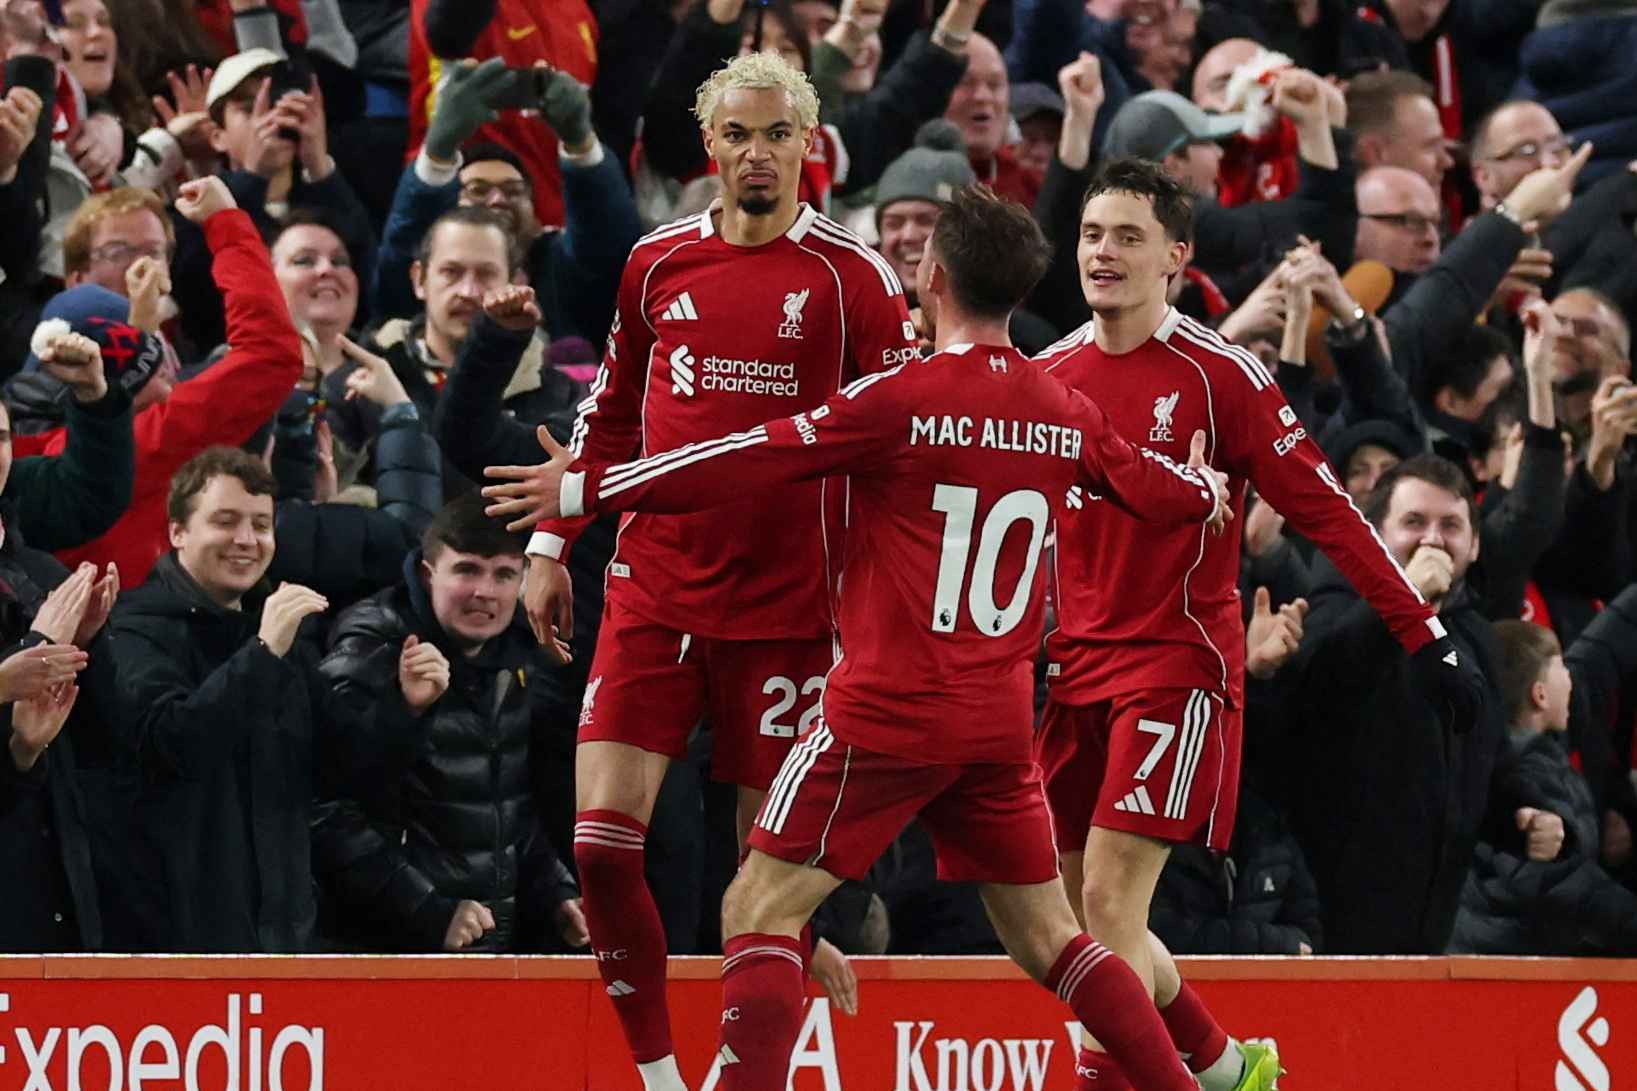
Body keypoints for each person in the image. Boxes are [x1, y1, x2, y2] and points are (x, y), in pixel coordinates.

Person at [484, 184, 1229, 1091]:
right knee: (1052, 939)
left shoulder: (898, 397)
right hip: (995, 723)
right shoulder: (1060, 404)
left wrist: (583, 491)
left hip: (882, 713)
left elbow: (741, 455)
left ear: (931, 275)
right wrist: (1202, 491)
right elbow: (1153, 489)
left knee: (756, 907)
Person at [484, 50, 919, 1091]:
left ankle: (755, 1051)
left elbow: (892, 445)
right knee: (597, 845)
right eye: (738, 135)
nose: (757, 154)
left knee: (762, 883)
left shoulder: (853, 277)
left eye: (778, 135)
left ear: (808, 146)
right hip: (656, 586)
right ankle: (659, 1077)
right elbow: (613, 407)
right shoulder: (657, 260)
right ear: (709, 146)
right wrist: (550, 546)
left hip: (789, 607)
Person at [1031, 157, 1482, 1090]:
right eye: (1089, 234)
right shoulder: (1047, 377)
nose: (1101, 253)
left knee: (1112, 908)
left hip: (1176, 666)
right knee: (1076, 925)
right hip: (1071, 672)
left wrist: (1423, 635)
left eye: (1126, 236)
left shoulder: (1219, 376)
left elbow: (1326, 511)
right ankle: (1232, 1067)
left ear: (1176, 255)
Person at [109, 446, 449, 952]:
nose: (246, 540)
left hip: (283, 936)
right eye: (225, 521)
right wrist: (263, 652)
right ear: (178, 532)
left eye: (261, 525)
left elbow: (341, 768)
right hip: (172, 943)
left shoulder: (275, 633)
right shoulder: (134, 629)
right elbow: (175, 746)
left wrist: (405, 708)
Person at [313, 493, 586, 953]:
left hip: (489, 944)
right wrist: (428, 911)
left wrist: (554, 891)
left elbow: (508, 807)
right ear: (427, 573)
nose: (485, 591)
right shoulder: (371, 648)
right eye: (467, 570)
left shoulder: (520, 654)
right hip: (387, 950)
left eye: (503, 574)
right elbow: (325, 811)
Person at [22, 177, 303, 588]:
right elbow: (271, 355)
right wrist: (225, 224)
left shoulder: (21, 452)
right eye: (120, 252)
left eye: (155, 251)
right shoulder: (144, 442)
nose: (144, 268)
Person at [1280, 455, 1510, 953]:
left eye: (1450, 525)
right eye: (1414, 522)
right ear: (1376, 535)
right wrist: (1404, 601)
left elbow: (1493, 756)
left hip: (1435, 922)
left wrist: (1534, 812)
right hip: (1332, 916)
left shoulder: (1479, 637)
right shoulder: (1334, 603)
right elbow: (1315, 693)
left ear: (1473, 544)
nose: (1432, 539)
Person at [371, 57, 640, 346]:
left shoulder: (558, 266)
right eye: (478, 190)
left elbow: (612, 250)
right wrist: (438, 151)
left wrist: (582, 144)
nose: (497, 200)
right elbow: (398, 264)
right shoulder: (420, 285)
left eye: (513, 191)